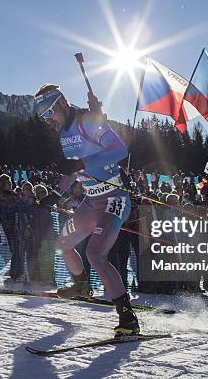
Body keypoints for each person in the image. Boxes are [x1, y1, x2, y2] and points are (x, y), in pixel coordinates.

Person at [33, 83, 138, 336]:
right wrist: (56, 194)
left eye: (49, 113)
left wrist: (84, 161)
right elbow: (73, 170)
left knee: (96, 254)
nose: (47, 120)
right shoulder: (63, 135)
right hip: (91, 202)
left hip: (114, 198)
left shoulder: (88, 121)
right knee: (63, 244)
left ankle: (128, 318)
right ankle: (81, 285)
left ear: (62, 104)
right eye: (42, 117)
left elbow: (120, 150)